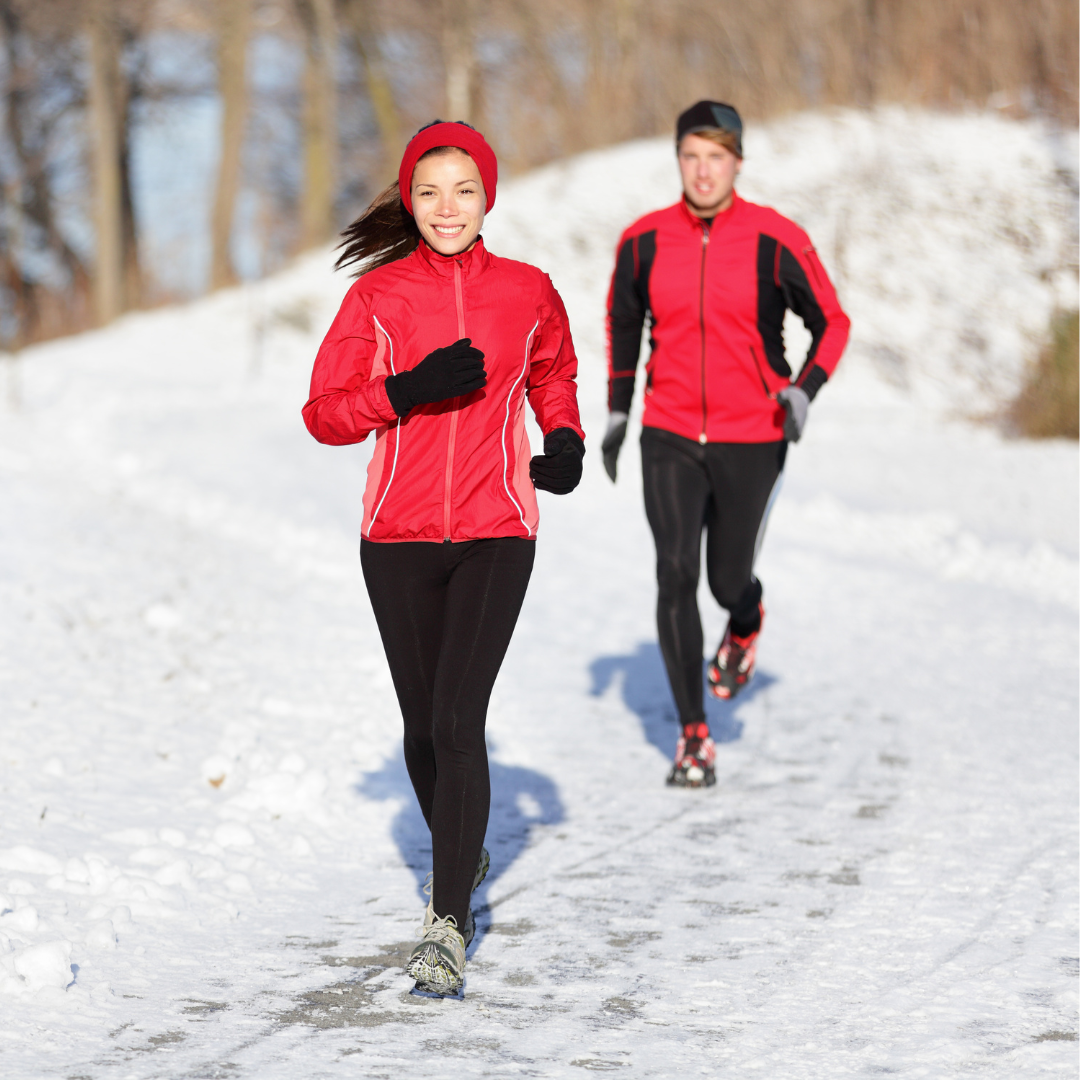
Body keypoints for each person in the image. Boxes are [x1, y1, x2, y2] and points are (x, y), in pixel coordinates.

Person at [303, 121, 585, 996]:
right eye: (428, 192)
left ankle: (447, 921)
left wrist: (566, 439)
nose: (446, 207)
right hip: (396, 537)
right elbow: (324, 412)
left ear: (487, 195)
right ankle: (466, 848)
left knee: (460, 719)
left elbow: (554, 373)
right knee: (423, 726)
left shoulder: (528, 290)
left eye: (463, 189)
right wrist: (407, 390)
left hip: (499, 527)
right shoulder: (378, 299)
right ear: (409, 201)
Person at [602, 101, 849, 789]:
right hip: (671, 431)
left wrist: (803, 391)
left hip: (752, 435)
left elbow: (832, 322)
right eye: (690, 156)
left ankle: (744, 619)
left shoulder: (776, 239)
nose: (703, 171)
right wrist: (620, 413)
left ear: (738, 161)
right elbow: (624, 324)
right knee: (676, 573)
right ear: (678, 161)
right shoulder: (644, 242)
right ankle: (694, 735)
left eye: (716, 157)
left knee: (724, 579)